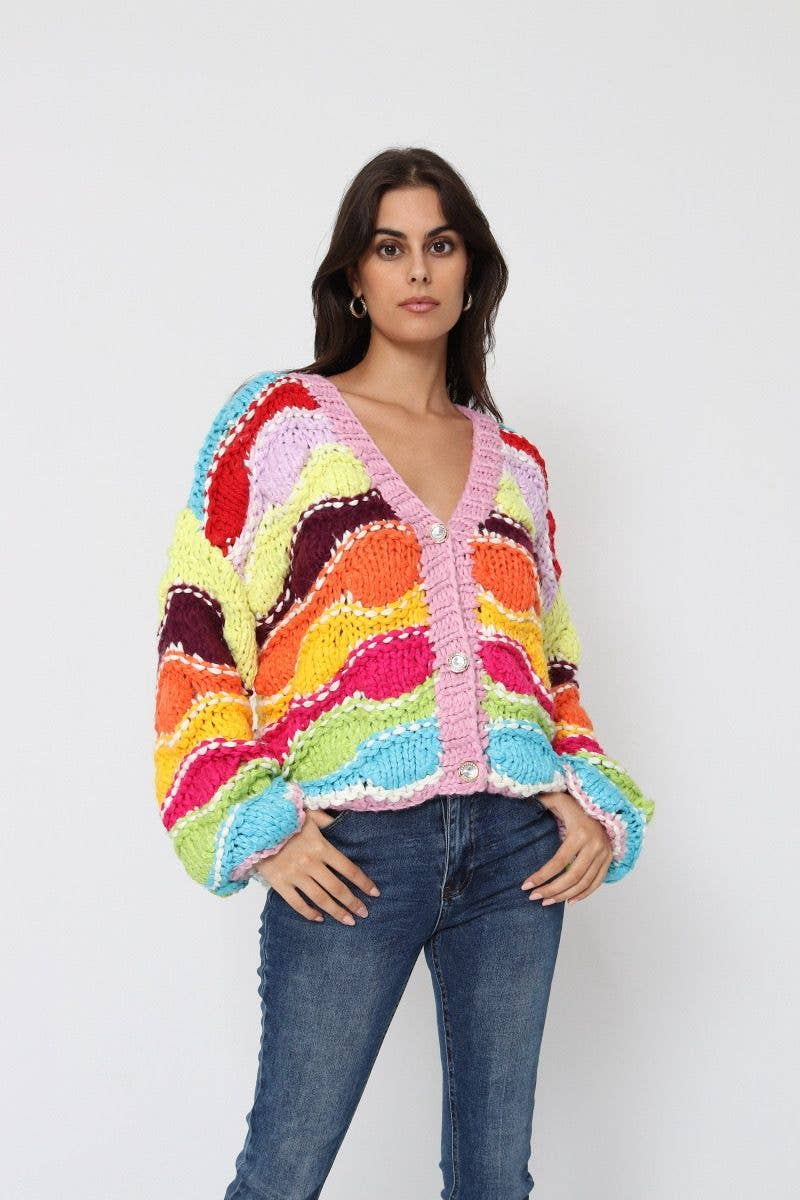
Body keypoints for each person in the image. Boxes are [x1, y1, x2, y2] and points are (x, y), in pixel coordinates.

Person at [153, 146, 655, 1199]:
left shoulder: (516, 465)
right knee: (282, 1173)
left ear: (472, 271)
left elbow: (551, 659)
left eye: (440, 244)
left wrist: (585, 795)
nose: (417, 269)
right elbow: (196, 631)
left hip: (515, 854)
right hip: (351, 851)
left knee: (494, 1179)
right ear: (354, 275)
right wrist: (250, 821)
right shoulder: (280, 429)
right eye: (389, 248)